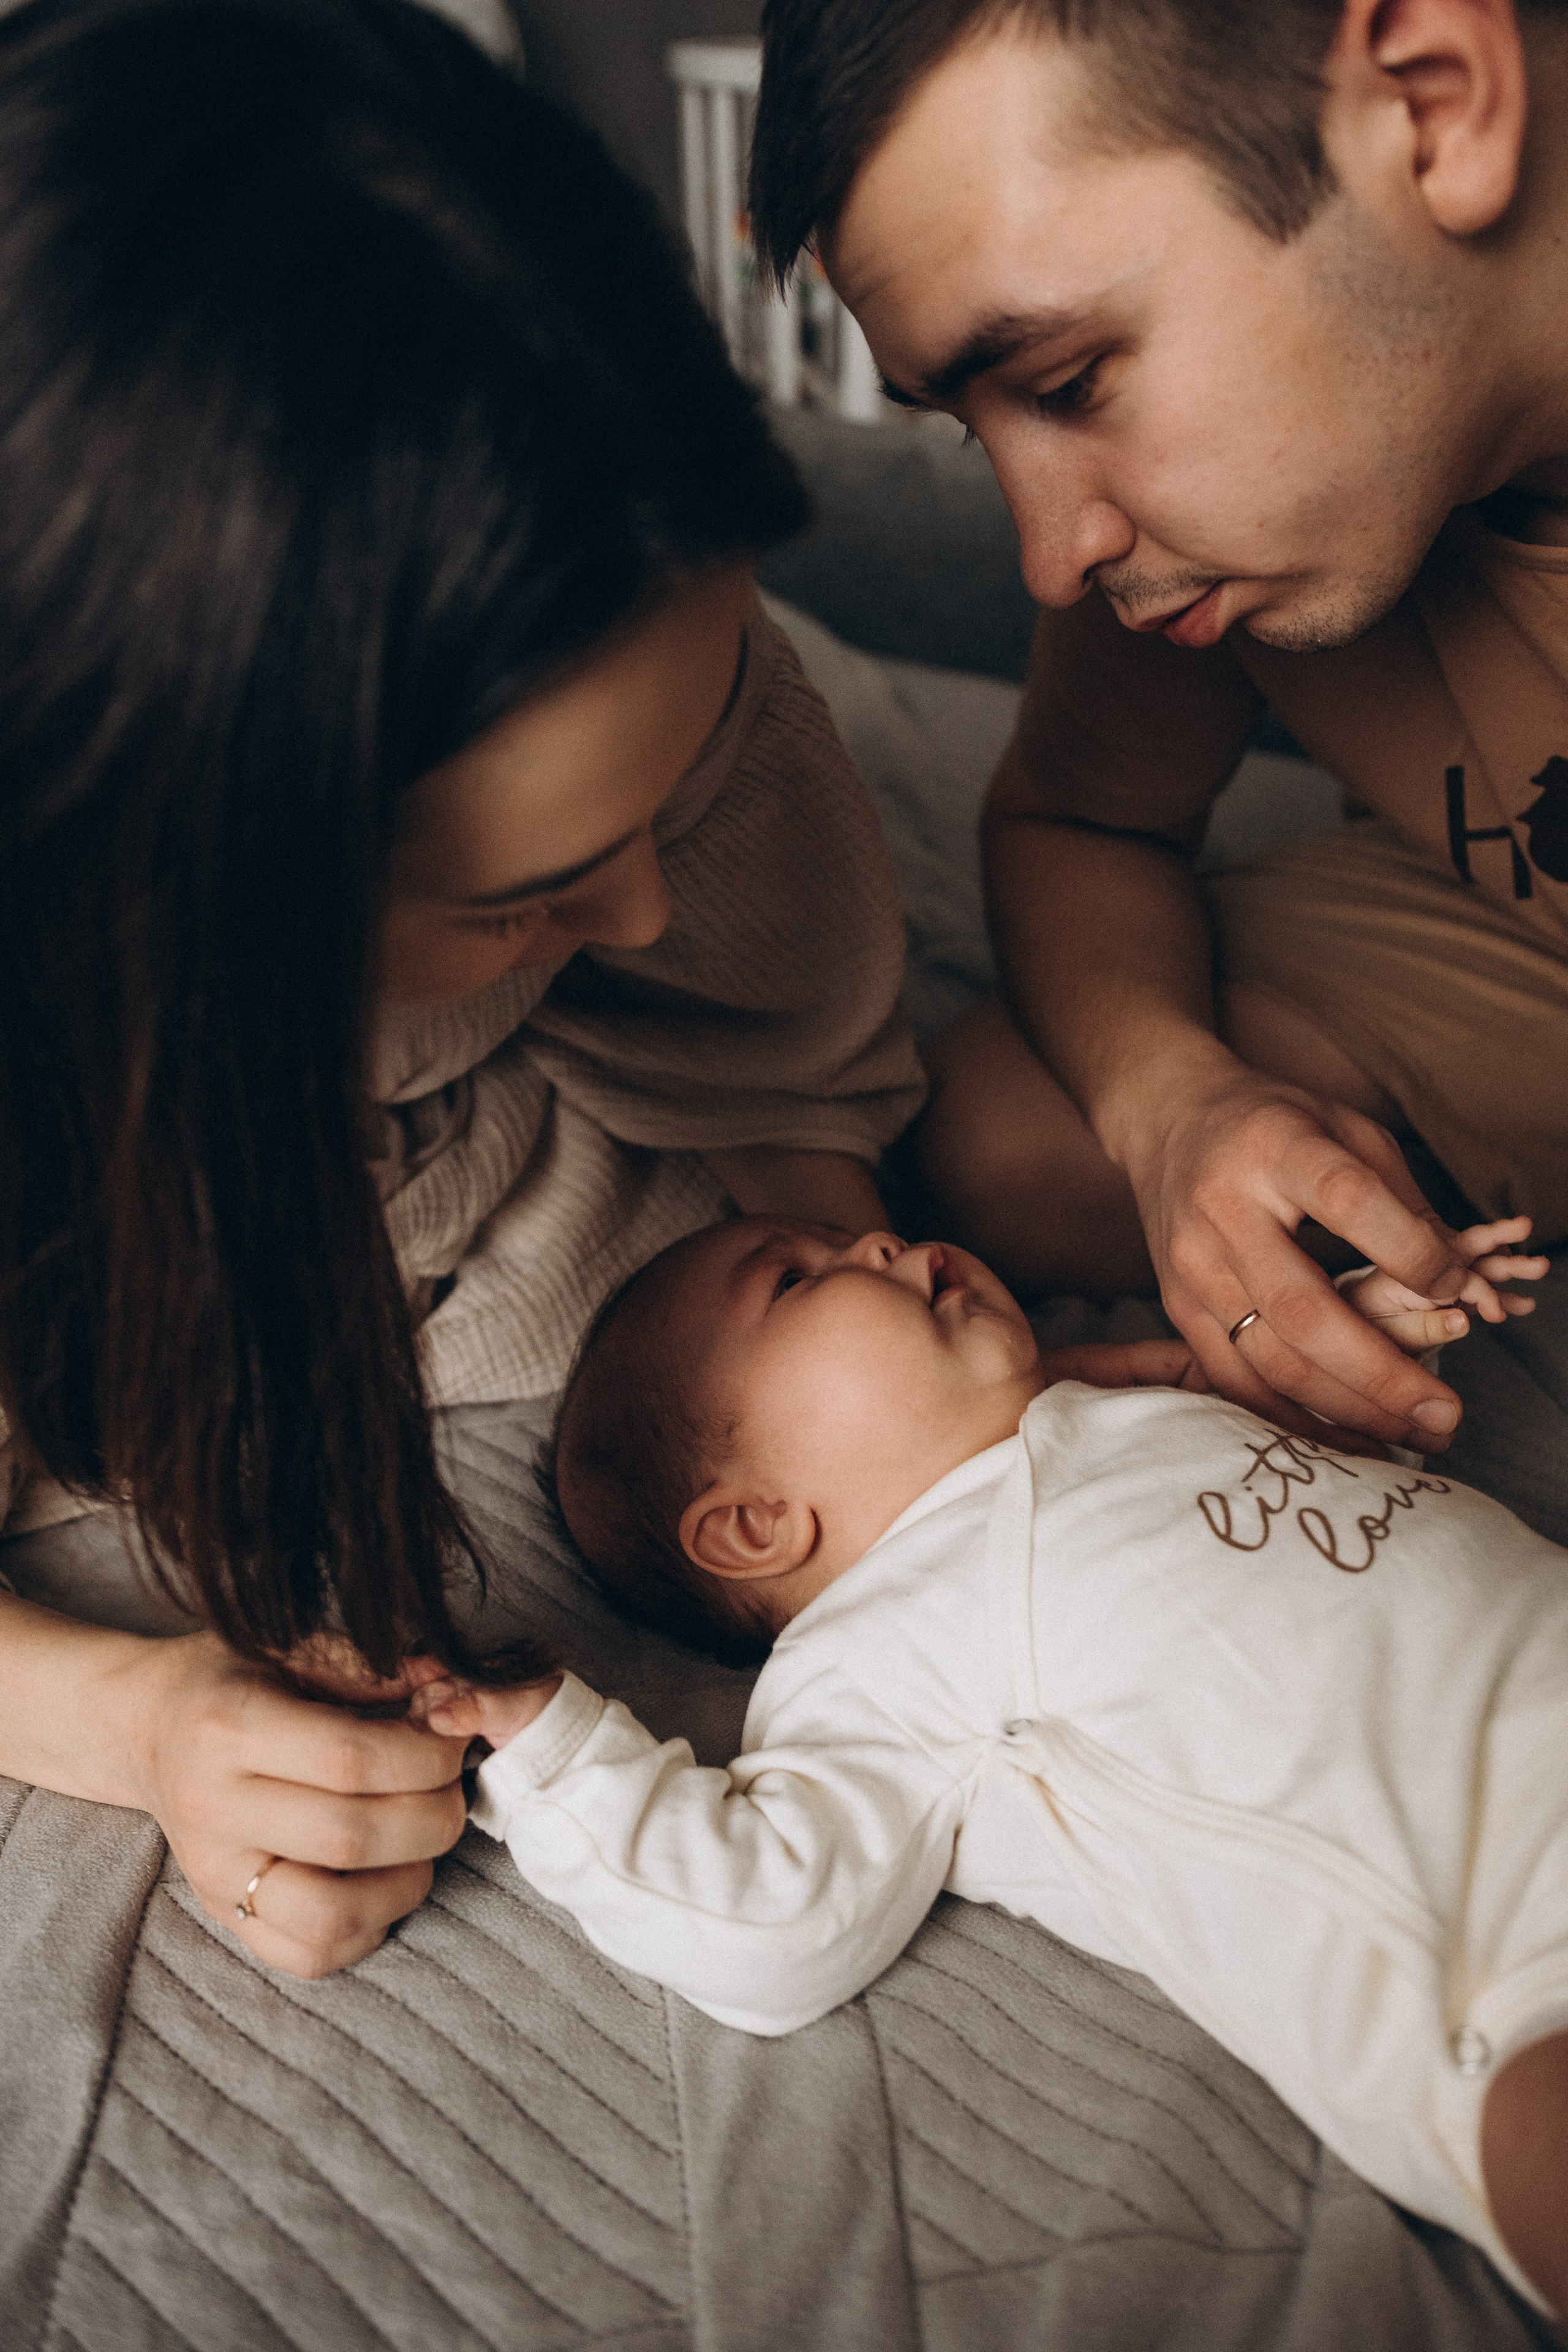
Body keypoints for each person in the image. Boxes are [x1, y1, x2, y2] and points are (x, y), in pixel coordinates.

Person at [0, 0, 925, 1981]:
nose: (645, 898)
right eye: (520, 890)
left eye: (660, 787)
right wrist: (139, 1716)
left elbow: (799, 1059)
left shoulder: (649, 616)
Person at [404, 1210, 1564, 2319]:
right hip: (1495, 1945)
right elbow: (771, 1916)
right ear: (757, 1525)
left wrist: (1350, 1324)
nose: (877, 1240)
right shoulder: (875, 1646)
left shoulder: (1129, 1410)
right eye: (795, 1279)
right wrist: (555, 1748)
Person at [744, 0, 1568, 1463]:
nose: (1052, 555)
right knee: (1005, 1134)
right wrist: (1173, 1107)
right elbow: (1078, 818)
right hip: (1496, 928)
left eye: (1067, 384)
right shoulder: (1194, 550)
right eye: (972, 424)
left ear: (1431, 104)